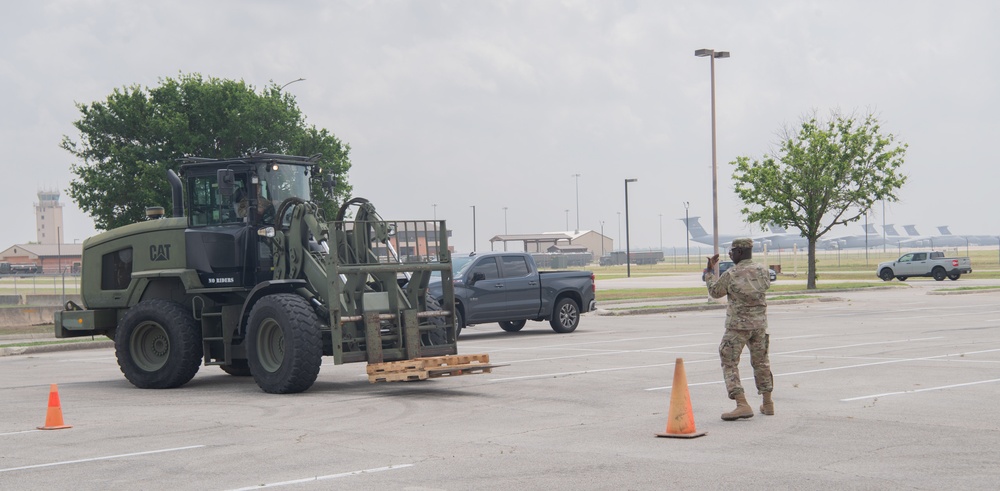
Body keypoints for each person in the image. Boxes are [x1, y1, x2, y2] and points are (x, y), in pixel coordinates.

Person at [703, 237, 774, 421]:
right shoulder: (763, 271)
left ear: (740, 252)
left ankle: (741, 404)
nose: (730, 255)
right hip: (759, 325)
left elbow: (715, 292)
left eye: (732, 252)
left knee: (729, 360)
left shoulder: (732, 274)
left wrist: (710, 272)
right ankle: (767, 403)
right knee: (761, 362)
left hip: (738, 327)